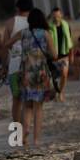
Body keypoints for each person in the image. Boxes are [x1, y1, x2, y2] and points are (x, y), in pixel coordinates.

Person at [18, 8, 55, 146]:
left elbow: (8, 43)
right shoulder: (45, 34)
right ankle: (36, 139)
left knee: (27, 105)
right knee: (38, 107)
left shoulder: (23, 33)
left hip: (25, 72)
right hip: (40, 73)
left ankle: (26, 129)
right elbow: (54, 54)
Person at [0, 0, 32, 127]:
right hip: (31, 66)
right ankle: (25, 132)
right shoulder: (35, 21)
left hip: (15, 66)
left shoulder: (10, 23)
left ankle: (17, 133)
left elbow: (4, 47)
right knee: (28, 100)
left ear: (18, 8)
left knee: (16, 100)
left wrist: (3, 66)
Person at [48, 7, 73, 101]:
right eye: (54, 16)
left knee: (64, 74)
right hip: (52, 56)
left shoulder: (66, 25)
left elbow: (70, 41)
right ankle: (54, 91)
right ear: (51, 16)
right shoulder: (48, 27)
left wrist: (72, 55)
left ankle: (60, 92)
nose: (56, 18)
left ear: (61, 15)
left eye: (58, 16)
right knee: (53, 77)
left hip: (64, 54)